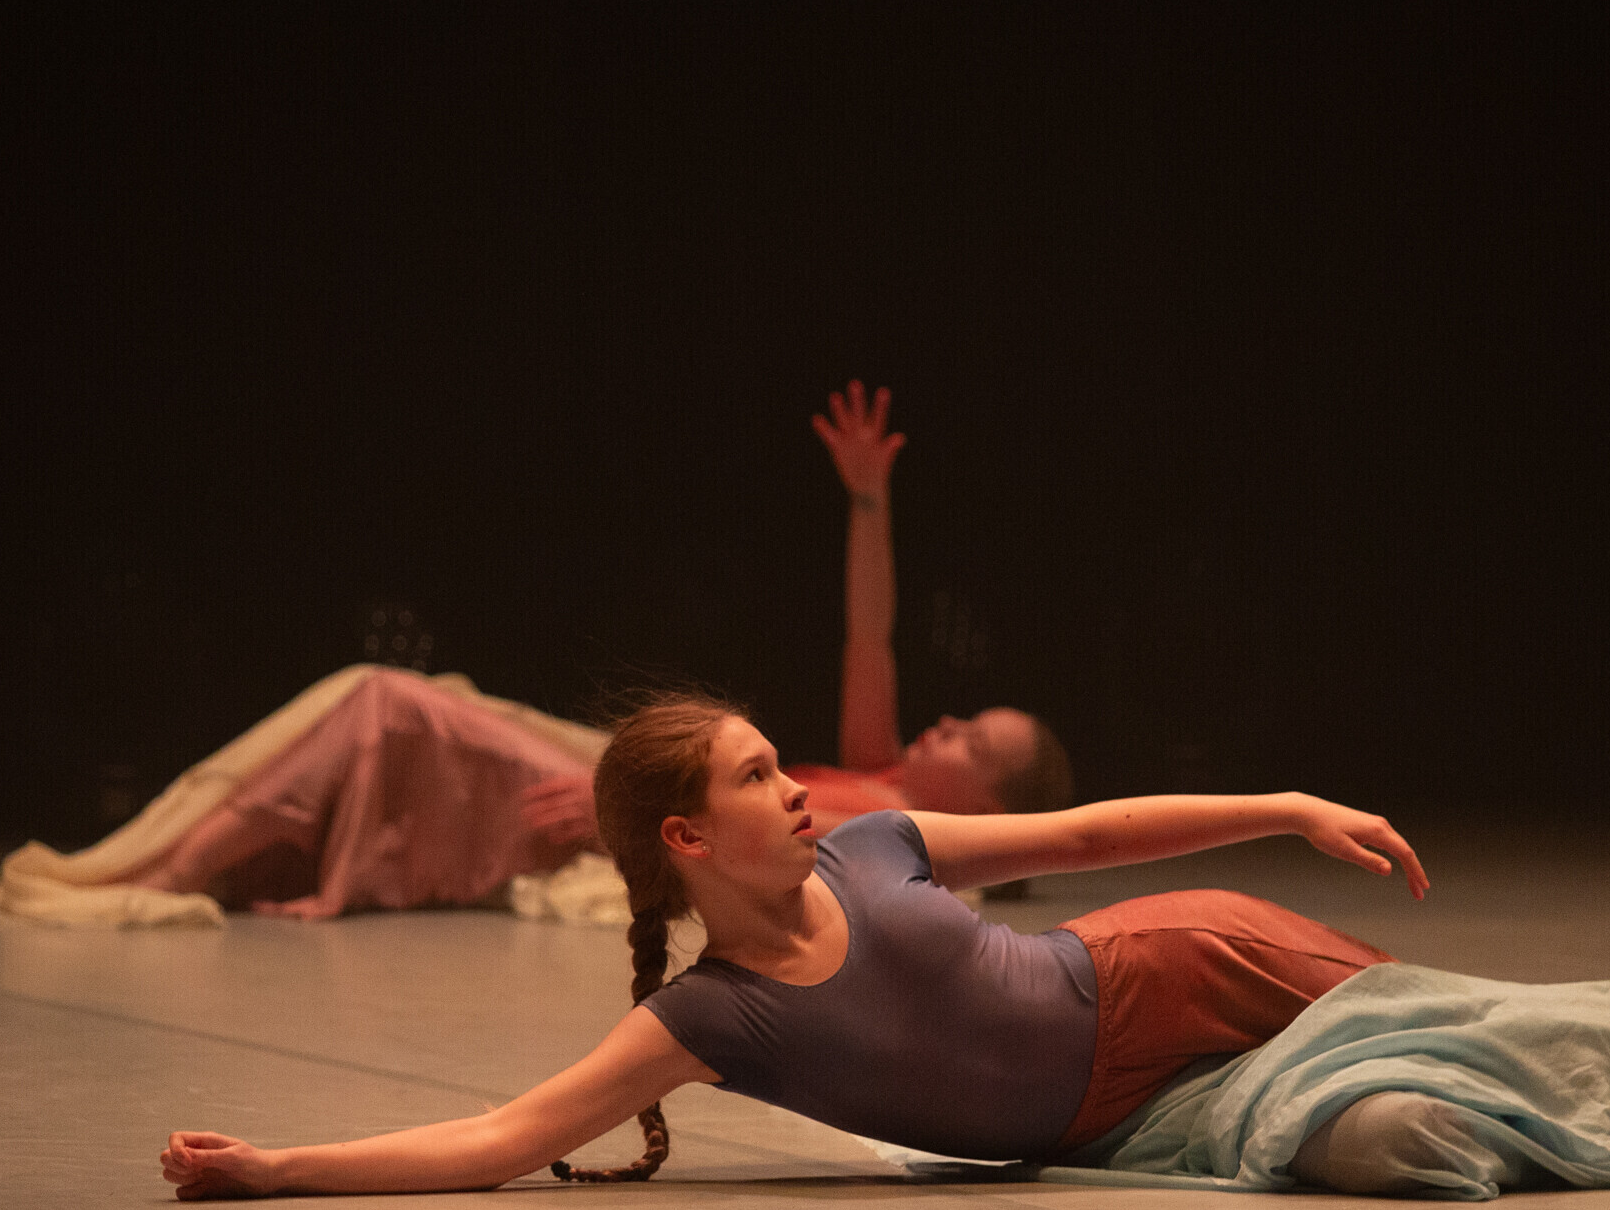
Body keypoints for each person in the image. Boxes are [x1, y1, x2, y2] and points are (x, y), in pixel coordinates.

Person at [159, 695, 1610, 1200]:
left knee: (1465, 1016)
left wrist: (1280, 801)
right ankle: (1596, 1088)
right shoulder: (718, 1017)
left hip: (1174, 964)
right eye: (758, 774)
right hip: (1132, 1119)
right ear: (686, 839)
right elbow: (505, 1135)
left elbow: (1090, 840)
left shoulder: (878, 846)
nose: (796, 786)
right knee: (1404, 1142)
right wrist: (277, 1168)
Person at [112, 381, 1071, 917]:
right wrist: (868, 497)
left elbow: (751, 860)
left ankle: (182, 870)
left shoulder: (893, 833)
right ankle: (217, 859)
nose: (948, 724)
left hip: (645, 803)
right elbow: (871, 631)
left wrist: (628, 814)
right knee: (395, 703)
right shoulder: (879, 767)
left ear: (990, 808)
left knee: (388, 703)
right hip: (635, 780)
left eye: (974, 742)